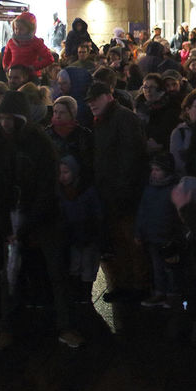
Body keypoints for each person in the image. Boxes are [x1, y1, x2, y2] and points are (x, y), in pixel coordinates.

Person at [0, 91, 82, 350]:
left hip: (42, 214)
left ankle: (65, 325)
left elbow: (46, 186)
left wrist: (30, 222)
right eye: (2, 117)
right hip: (12, 215)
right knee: (10, 272)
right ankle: (7, 326)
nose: (6, 123)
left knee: (56, 270)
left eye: (11, 118)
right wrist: (7, 227)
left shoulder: (38, 142)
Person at [87, 81, 148, 302]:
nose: (91, 103)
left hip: (124, 194)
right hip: (110, 193)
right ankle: (123, 285)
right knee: (118, 243)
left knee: (131, 242)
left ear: (108, 95)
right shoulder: (104, 120)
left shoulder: (123, 119)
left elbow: (131, 158)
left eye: (95, 98)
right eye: (89, 101)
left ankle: (138, 286)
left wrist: (124, 191)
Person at [135, 153, 182, 309]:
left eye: (157, 170)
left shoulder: (174, 189)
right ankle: (160, 292)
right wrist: (139, 232)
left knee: (170, 268)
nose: (153, 173)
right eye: (153, 169)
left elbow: (177, 216)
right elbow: (143, 212)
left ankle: (172, 294)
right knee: (157, 267)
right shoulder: (149, 189)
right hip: (152, 235)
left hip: (167, 236)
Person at [56, 154, 102, 307]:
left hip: (87, 232)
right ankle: (78, 293)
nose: (62, 176)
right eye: (60, 173)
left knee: (87, 264)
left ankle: (84, 294)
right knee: (76, 264)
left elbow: (97, 213)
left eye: (66, 172)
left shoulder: (87, 191)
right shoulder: (61, 192)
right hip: (72, 234)